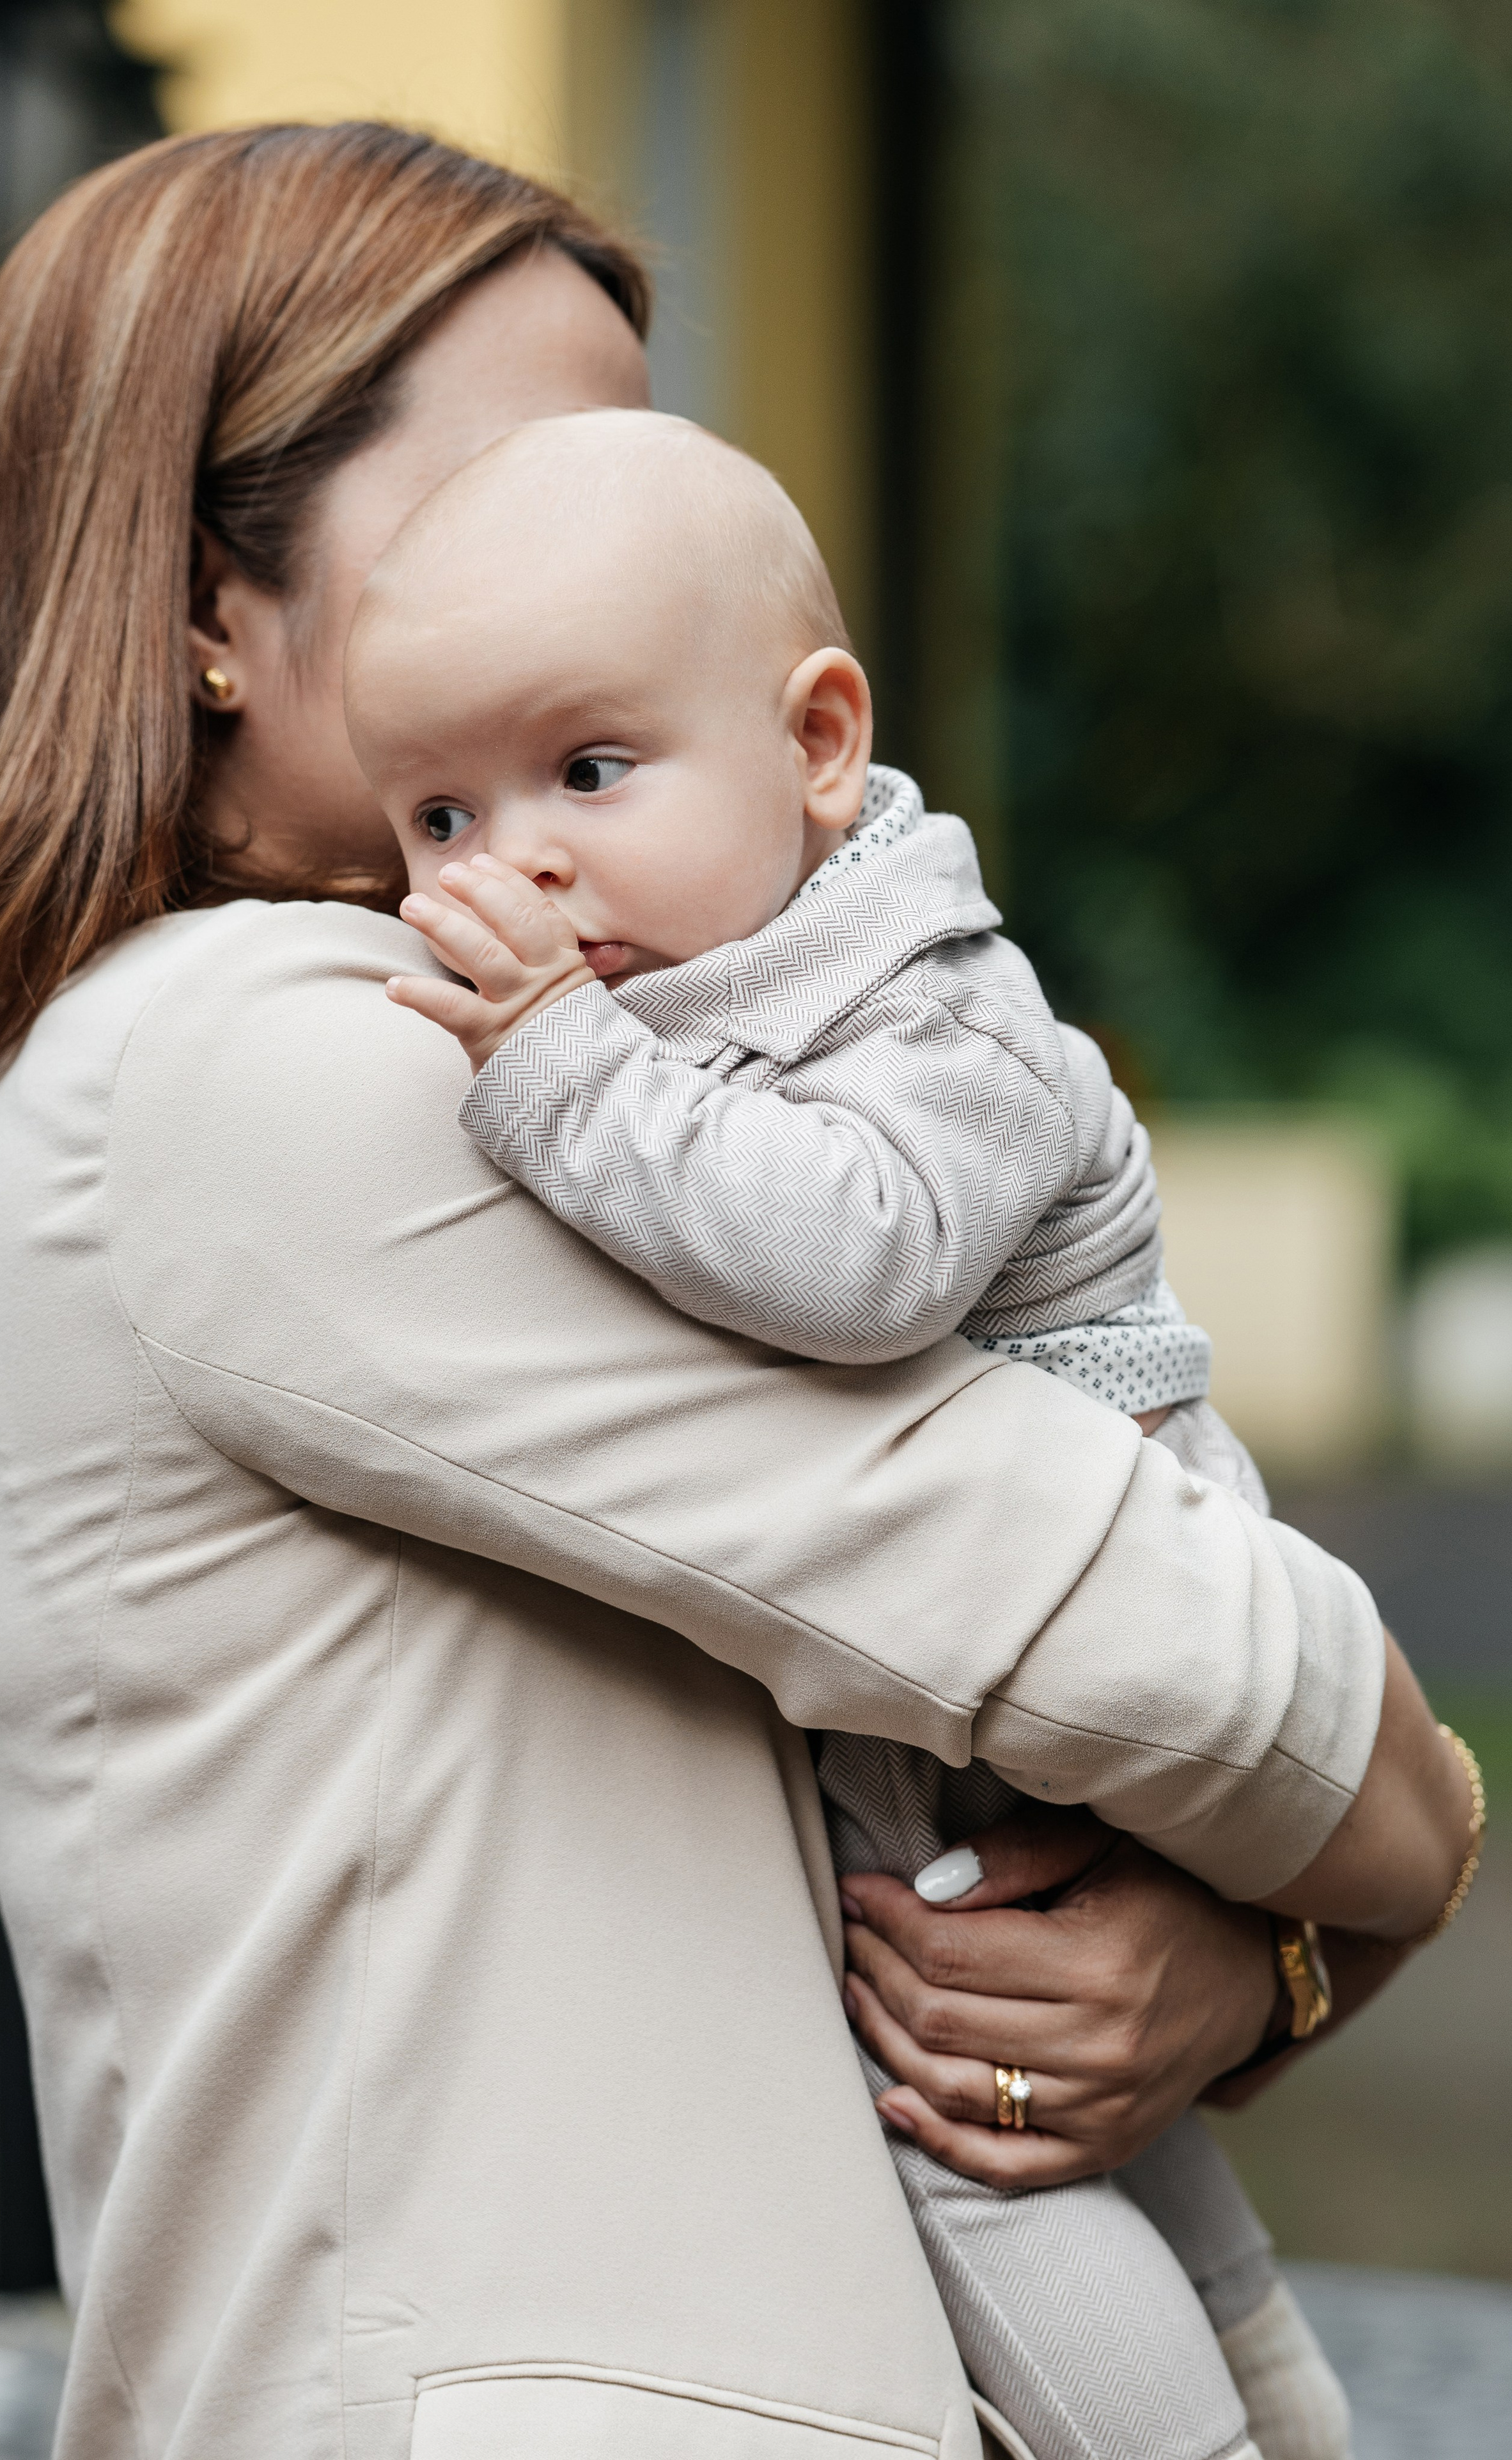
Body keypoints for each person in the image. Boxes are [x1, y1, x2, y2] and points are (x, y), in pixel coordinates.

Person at [0, 126, 1476, 2460]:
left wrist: (1241, 1965)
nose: (590, 560)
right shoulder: (284, 1060)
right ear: (208, 605)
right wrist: (1404, 1834)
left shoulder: (577, 1037)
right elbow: (1065, 1591)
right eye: (505, 492)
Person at [345, 407, 1467, 2460]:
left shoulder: (935, 999)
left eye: (588, 770)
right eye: (432, 818)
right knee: (1160, 2193)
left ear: (822, 743)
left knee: (967, 2149)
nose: (509, 864)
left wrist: (559, 1073)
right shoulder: (695, 970)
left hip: (1076, 1636)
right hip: (974, 1660)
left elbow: (862, 1265)